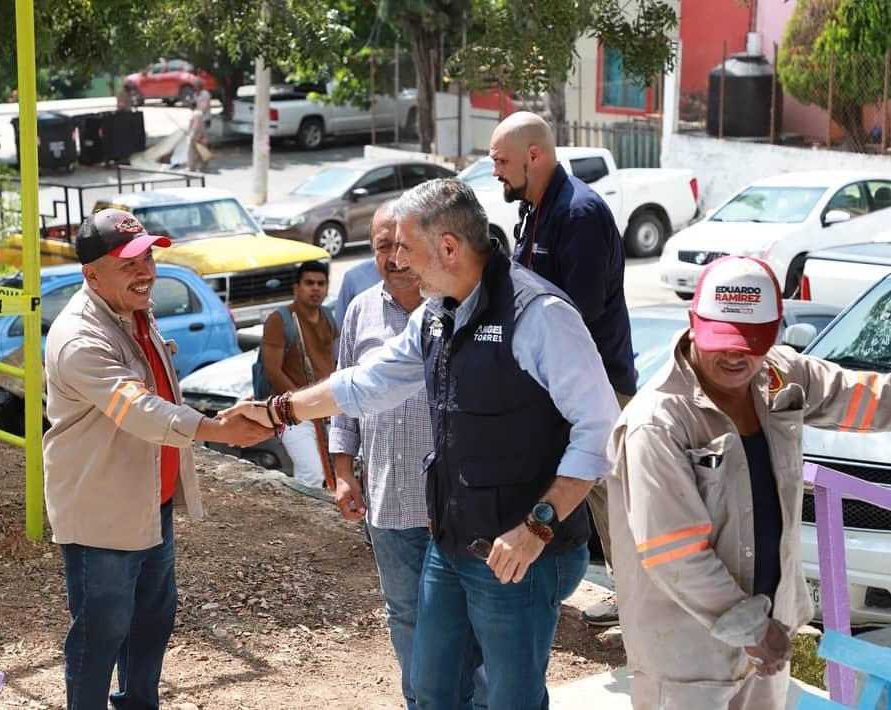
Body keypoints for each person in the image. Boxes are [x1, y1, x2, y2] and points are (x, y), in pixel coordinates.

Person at [228, 179, 619, 709]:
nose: (400, 264)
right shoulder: (437, 313)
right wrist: (279, 411)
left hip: (520, 553)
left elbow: (600, 428)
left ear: (449, 248)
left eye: (407, 249)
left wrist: (536, 527)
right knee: (432, 690)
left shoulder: (540, 314)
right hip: (452, 543)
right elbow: (367, 381)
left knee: (510, 700)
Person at [608, 255, 891, 709]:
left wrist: (765, 628)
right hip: (690, 660)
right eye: (721, 341)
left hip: (764, 641)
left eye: (751, 341)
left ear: (776, 330)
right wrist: (753, 628)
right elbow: (673, 552)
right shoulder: (658, 422)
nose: (737, 356)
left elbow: (856, 398)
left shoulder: (776, 375)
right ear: (693, 323)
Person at [42, 208, 272, 709]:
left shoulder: (134, 313)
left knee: (152, 620)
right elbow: (137, 408)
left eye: (147, 257)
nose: (145, 271)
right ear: (91, 274)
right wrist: (216, 430)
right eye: (128, 264)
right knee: (99, 633)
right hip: (103, 513)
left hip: (150, 503)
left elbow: (161, 397)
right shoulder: (81, 336)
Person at [490, 110, 635, 627]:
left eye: (502, 161)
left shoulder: (579, 214)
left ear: (535, 155)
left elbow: (580, 308)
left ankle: (640, 605)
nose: (495, 172)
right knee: (584, 490)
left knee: (613, 493)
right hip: (557, 384)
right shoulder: (534, 209)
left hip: (599, 385)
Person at [329, 202, 436, 709]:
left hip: (453, 507)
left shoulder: (455, 306)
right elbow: (343, 400)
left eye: (401, 245)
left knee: (471, 618)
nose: (394, 258)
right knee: (406, 613)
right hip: (388, 501)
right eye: (381, 247)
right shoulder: (360, 310)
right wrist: (343, 474)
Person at [261, 260, 339, 488]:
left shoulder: (327, 317)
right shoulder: (279, 320)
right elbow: (273, 371)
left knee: (334, 474)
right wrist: (304, 403)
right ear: (296, 287)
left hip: (324, 411)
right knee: (312, 474)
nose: (315, 288)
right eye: (309, 283)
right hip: (290, 413)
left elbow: (330, 363)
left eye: (321, 283)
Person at [186, 99, 208, 172]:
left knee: (191, 152)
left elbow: (195, 126)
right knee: (201, 150)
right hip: (201, 135)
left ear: (191, 106)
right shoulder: (199, 113)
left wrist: (192, 135)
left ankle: (191, 167)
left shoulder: (195, 114)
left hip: (195, 135)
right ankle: (204, 165)